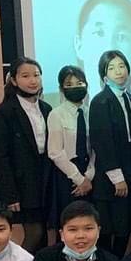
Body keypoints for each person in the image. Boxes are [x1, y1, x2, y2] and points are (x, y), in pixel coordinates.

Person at [0, 57, 52, 253]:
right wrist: (10, 194)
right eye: (25, 76)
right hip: (22, 184)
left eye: (36, 75)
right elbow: (0, 156)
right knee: (35, 233)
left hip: (45, 182)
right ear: (14, 80)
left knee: (44, 234)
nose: (32, 80)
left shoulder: (46, 108)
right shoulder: (4, 111)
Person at [89, 50, 131, 258]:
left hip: (130, 174)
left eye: (122, 66)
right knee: (107, 232)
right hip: (109, 179)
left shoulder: (130, 98)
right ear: (104, 75)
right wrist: (117, 178)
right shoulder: (100, 101)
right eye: (112, 68)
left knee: (124, 229)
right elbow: (103, 143)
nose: (119, 72)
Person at [47, 65, 94, 235]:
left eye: (79, 83)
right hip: (67, 175)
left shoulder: (90, 112)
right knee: (69, 224)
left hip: (89, 174)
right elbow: (55, 152)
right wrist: (79, 179)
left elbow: (95, 148)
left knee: (89, 222)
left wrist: (89, 176)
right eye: (69, 84)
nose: (75, 87)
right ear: (61, 88)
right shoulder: (56, 114)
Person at [74, 0, 131, 98]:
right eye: (99, 33)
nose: (110, 48)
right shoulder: (61, 109)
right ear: (79, 45)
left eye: (121, 37)